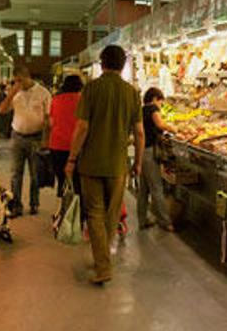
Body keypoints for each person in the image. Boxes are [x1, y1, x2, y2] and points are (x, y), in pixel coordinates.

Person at [65, 45, 144, 285]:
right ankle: (103, 259)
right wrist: (138, 162)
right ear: (122, 65)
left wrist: (71, 158)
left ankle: (103, 265)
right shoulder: (131, 93)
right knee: (111, 215)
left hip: (90, 164)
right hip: (118, 165)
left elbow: (82, 127)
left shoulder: (91, 89)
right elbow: (139, 133)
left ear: (102, 63)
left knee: (95, 213)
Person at [0, 66, 51, 217]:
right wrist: (11, 94)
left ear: (27, 76)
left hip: (36, 137)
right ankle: (16, 205)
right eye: (16, 81)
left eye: (20, 80)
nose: (18, 84)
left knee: (35, 173)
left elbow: (47, 119)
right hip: (17, 136)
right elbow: (2, 110)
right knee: (16, 173)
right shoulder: (15, 93)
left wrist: (45, 140)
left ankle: (34, 203)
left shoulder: (43, 93)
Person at [138, 87, 176, 231]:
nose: (160, 105)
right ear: (155, 98)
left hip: (142, 151)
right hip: (149, 152)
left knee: (143, 189)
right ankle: (165, 222)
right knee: (156, 188)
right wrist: (175, 129)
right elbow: (160, 124)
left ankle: (142, 220)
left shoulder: (142, 109)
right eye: (161, 102)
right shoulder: (152, 108)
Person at [49, 75, 83, 197]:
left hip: (57, 145)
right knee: (77, 181)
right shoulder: (83, 100)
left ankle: (62, 206)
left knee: (62, 179)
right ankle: (75, 209)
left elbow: (51, 123)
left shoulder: (56, 99)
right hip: (77, 146)